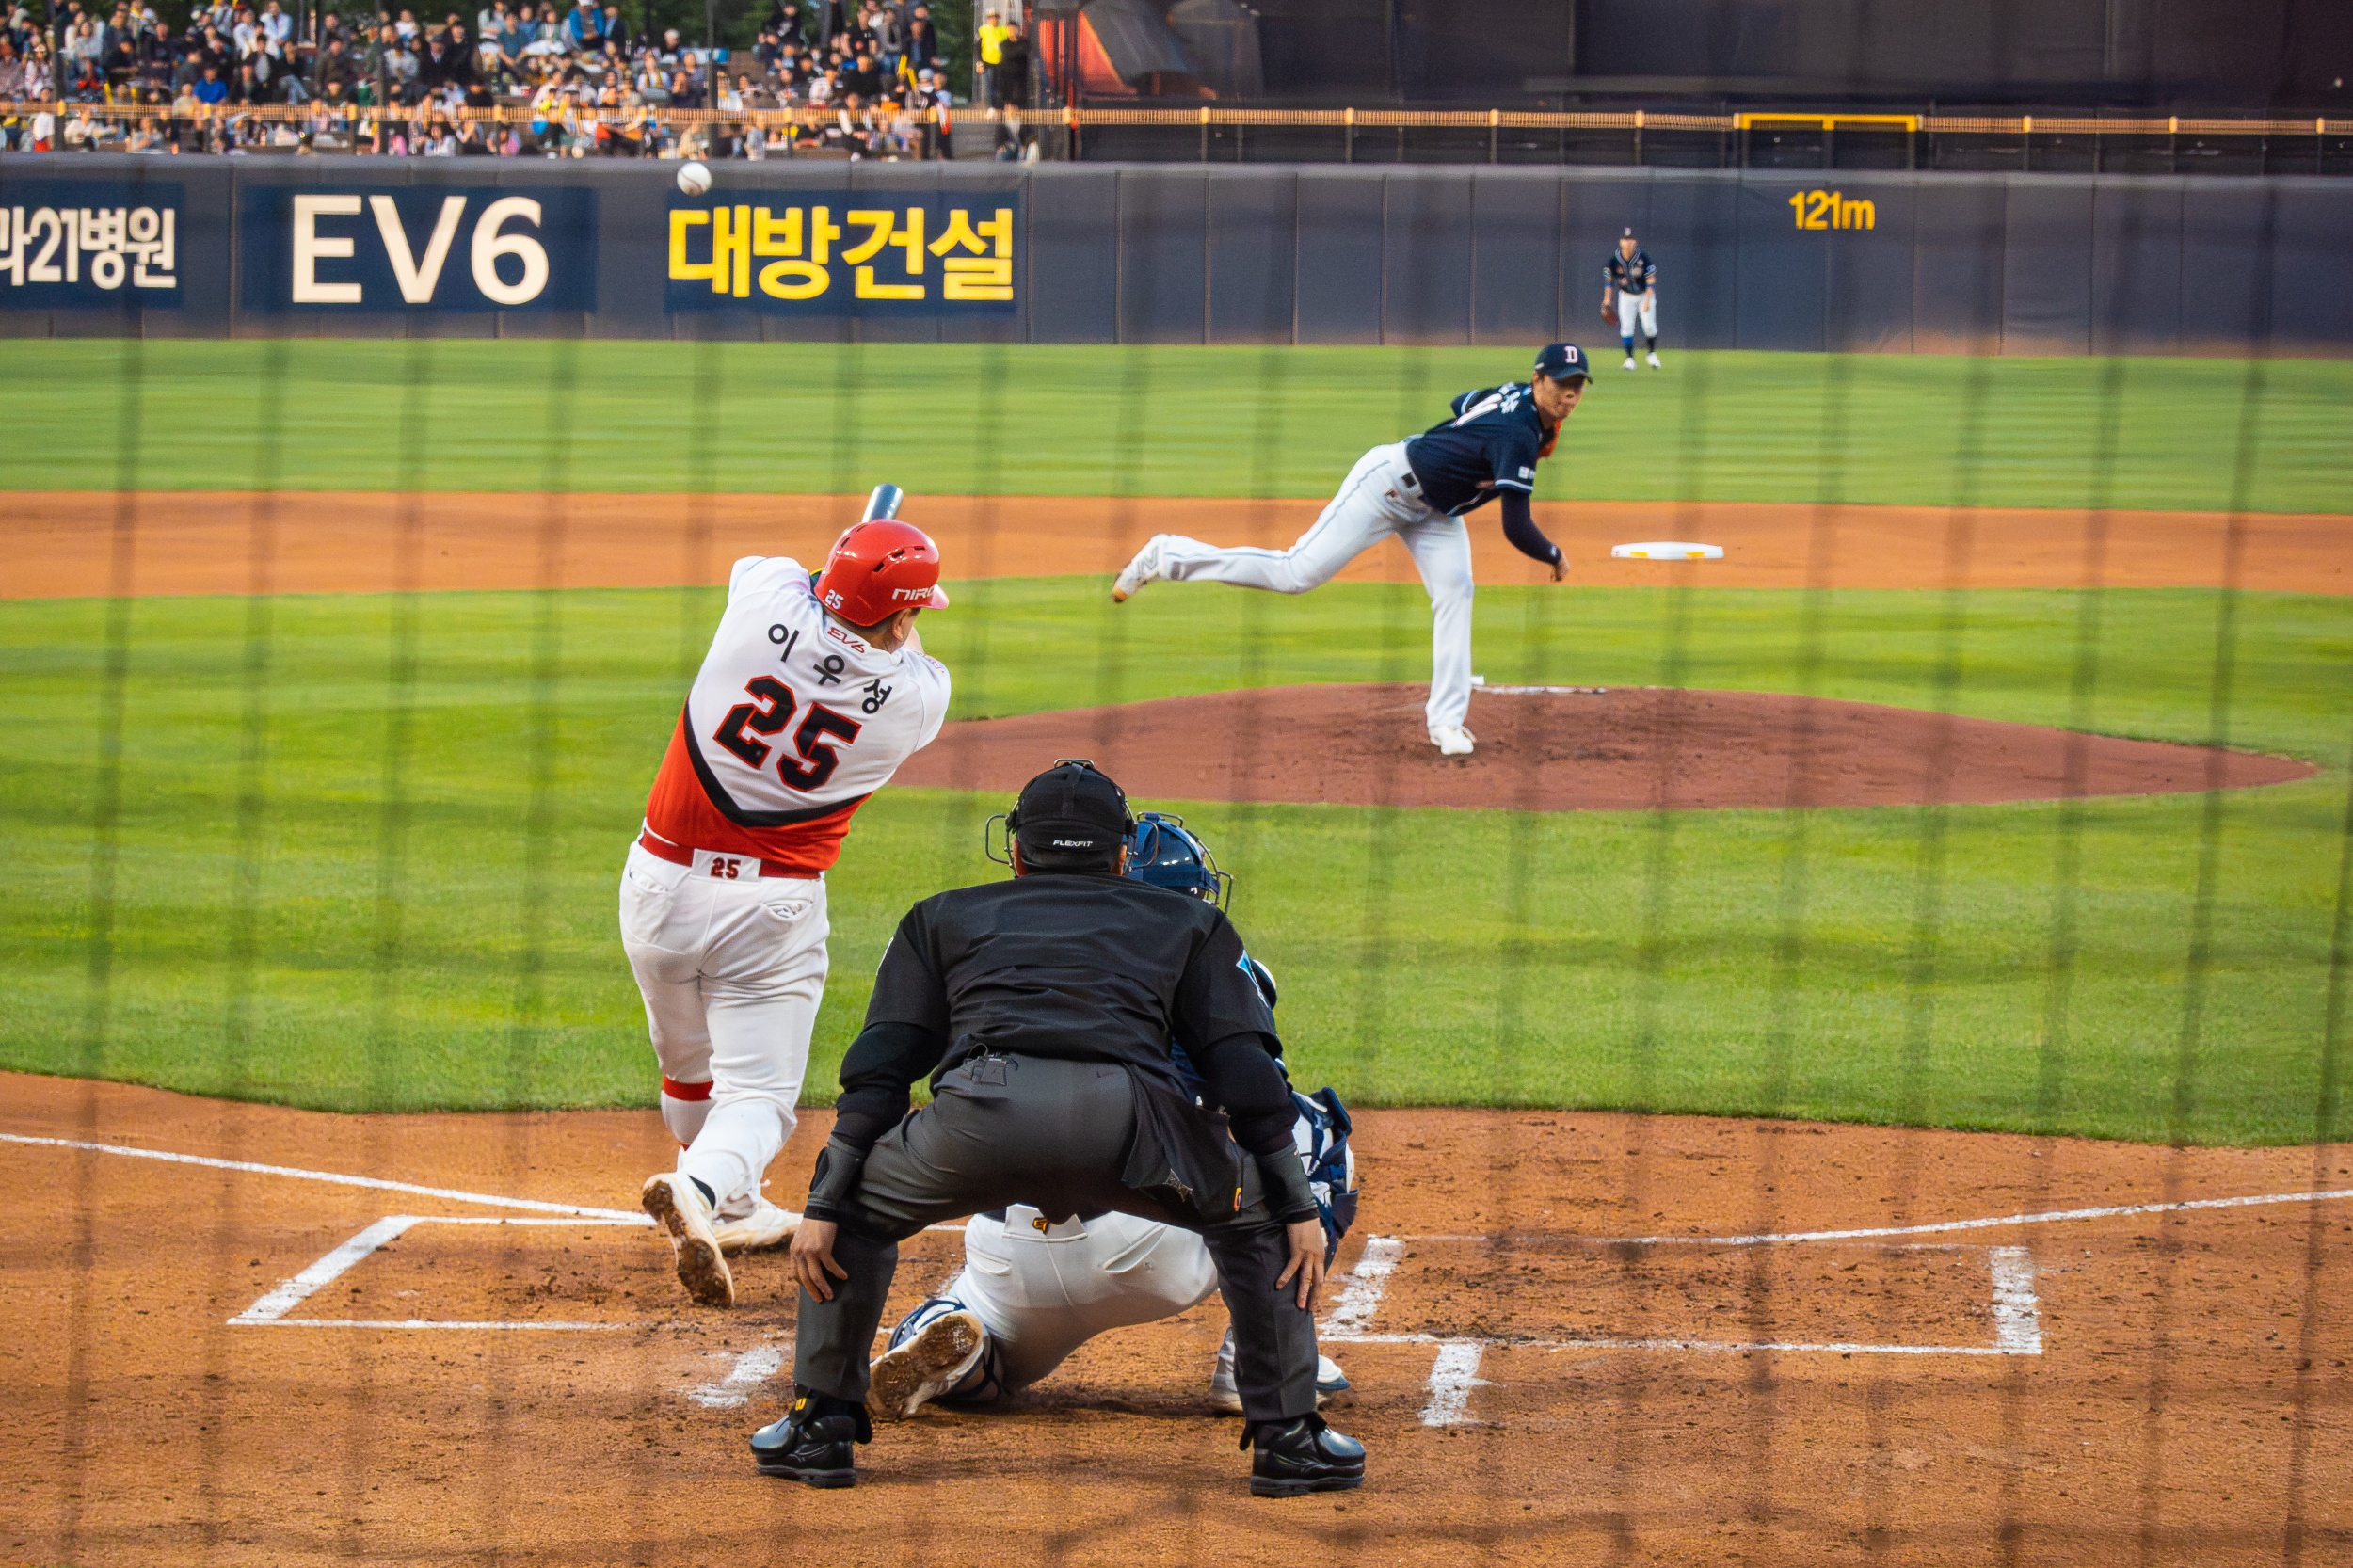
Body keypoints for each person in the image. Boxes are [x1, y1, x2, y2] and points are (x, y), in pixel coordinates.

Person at [749, 760, 1367, 1497]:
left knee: (854, 1212)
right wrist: (1293, 1206)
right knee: (1256, 1217)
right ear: (1121, 855)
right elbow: (1249, 1077)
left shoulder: (939, 916)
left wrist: (827, 1203)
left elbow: (880, 1073)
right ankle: (1288, 1439)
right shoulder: (1190, 923)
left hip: (976, 1123)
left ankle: (820, 1429)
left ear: (1016, 850)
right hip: (1130, 1130)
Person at [865, 810, 1359, 1422]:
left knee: (994, 1344)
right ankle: (1260, 1362)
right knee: (1311, 1127)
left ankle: (950, 1339)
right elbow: (1259, 1101)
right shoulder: (1216, 960)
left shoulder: (995, 955)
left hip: (1010, 1247)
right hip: (1152, 1243)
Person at [626, 497, 952, 1309]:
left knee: (691, 1074)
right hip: (769, 910)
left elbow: (798, 586)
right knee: (760, 1101)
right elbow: (893, 647)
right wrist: (875, 621)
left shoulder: (762, 597)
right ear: (902, 617)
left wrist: (836, 587)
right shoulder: (916, 699)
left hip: (657, 888)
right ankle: (700, 1189)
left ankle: (734, 1206)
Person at [1112, 344, 1591, 758]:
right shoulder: (1518, 434)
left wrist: (1465, 449)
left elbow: (1462, 403)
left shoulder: (1515, 399)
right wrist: (1553, 554)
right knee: (1296, 573)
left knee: (1456, 592)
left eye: (1577, 386)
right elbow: (1516, 525)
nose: (1569, 395)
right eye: (1560, 384)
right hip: (1386, 486)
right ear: (1537, 380)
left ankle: (1446, 723)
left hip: (1436, 513)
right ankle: (1167, 556)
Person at [1605, 226, 1660, 371]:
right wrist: (1607, 300)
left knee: (1649, 326)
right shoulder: (1615, 260)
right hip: (1626, 296)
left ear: (1635, 242)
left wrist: (1647, 301)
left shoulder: (1642, 258)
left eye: (1630, 240)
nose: (1627, 243)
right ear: (1620, 242)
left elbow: (1651, 279)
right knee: (1626, 327)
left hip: (1644, 295)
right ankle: (1629, 359)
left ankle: (1651, 353)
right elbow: (1609, 281)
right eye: (1625, 240)